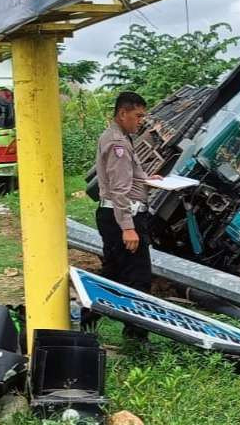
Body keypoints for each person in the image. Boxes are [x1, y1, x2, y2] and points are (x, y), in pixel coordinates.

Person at [91, 91, 161, 341]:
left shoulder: (117, 136)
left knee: (113, 272)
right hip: (123, 216)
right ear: (123, 113)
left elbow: (123, 177)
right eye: (138, 115)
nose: (141, 120)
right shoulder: (118, 144)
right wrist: (128, 228)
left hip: (113, 215)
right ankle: (136, 336)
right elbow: (119, 189)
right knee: (138, 278)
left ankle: (87, 318)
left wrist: (145, 179)